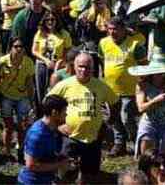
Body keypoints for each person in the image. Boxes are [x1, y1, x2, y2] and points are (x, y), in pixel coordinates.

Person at [47, 52, 118, 183]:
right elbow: (47, 104)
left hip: (93, 138)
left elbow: (114, 102)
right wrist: (57, 125)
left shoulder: (101, 86)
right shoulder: (65, 85)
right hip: (70, 137)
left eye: (87, 67)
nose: (83, 70)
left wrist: (109, 122)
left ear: (93, 69)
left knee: (89, 174)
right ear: (74, 66)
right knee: (65, 171)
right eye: (80, 66)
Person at [99, 16, 146, 156]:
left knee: (126, 118)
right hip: (111, 89)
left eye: (116, 29)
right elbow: (102, 61)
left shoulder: (135, 45)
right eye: (110, 29)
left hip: (130, 90)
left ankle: (138, 141)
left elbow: (144, 65)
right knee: (114, 118)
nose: (112, 32)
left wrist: (143, 85)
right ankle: (120, 145)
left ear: (124, 30)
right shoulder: (103, 43)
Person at [0, 38, 34, 162]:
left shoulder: (28, 62)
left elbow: (29, 84)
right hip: (6, 97)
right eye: (16, 46)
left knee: (22, 126)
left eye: (21, 46)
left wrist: (32, 103)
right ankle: (7, 151)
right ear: (11, 48)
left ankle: (20, 150)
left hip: (22, 97)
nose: (19, 49)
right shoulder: (2, 61)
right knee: (8, 127)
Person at [17, 94, 70, 185]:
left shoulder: (51, 128)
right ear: (54, 113)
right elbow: (31, 165)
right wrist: (60, 164)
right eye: (64, 111)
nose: (66, 114)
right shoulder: (38, 134)